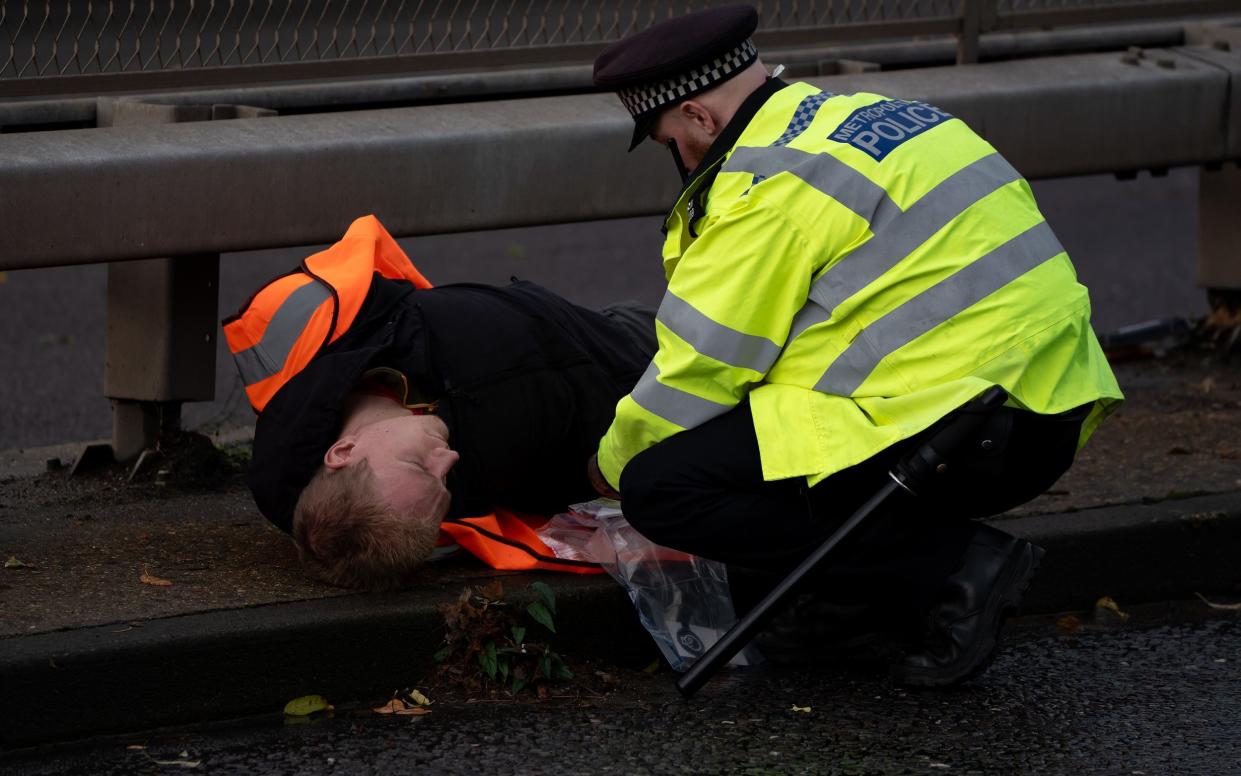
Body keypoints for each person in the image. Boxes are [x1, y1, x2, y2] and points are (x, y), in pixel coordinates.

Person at [587, 5, 1124, 686]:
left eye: (672, 142)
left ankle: (957, 569)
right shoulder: (879, 118)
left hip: (961, 438)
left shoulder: (768, 184)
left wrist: (608, 465)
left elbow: (703, 368)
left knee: (664, 488)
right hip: (1046, 406)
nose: (681, 160)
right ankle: (846, 613)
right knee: (762, 432)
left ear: (699, 117)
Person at [223, 216, 656, 591]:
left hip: (597, 325)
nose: (447, 459)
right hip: (639, 374)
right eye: (444, 484)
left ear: (342, 451)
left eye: (417, 464)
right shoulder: (478, 478)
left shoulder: (322, 347)